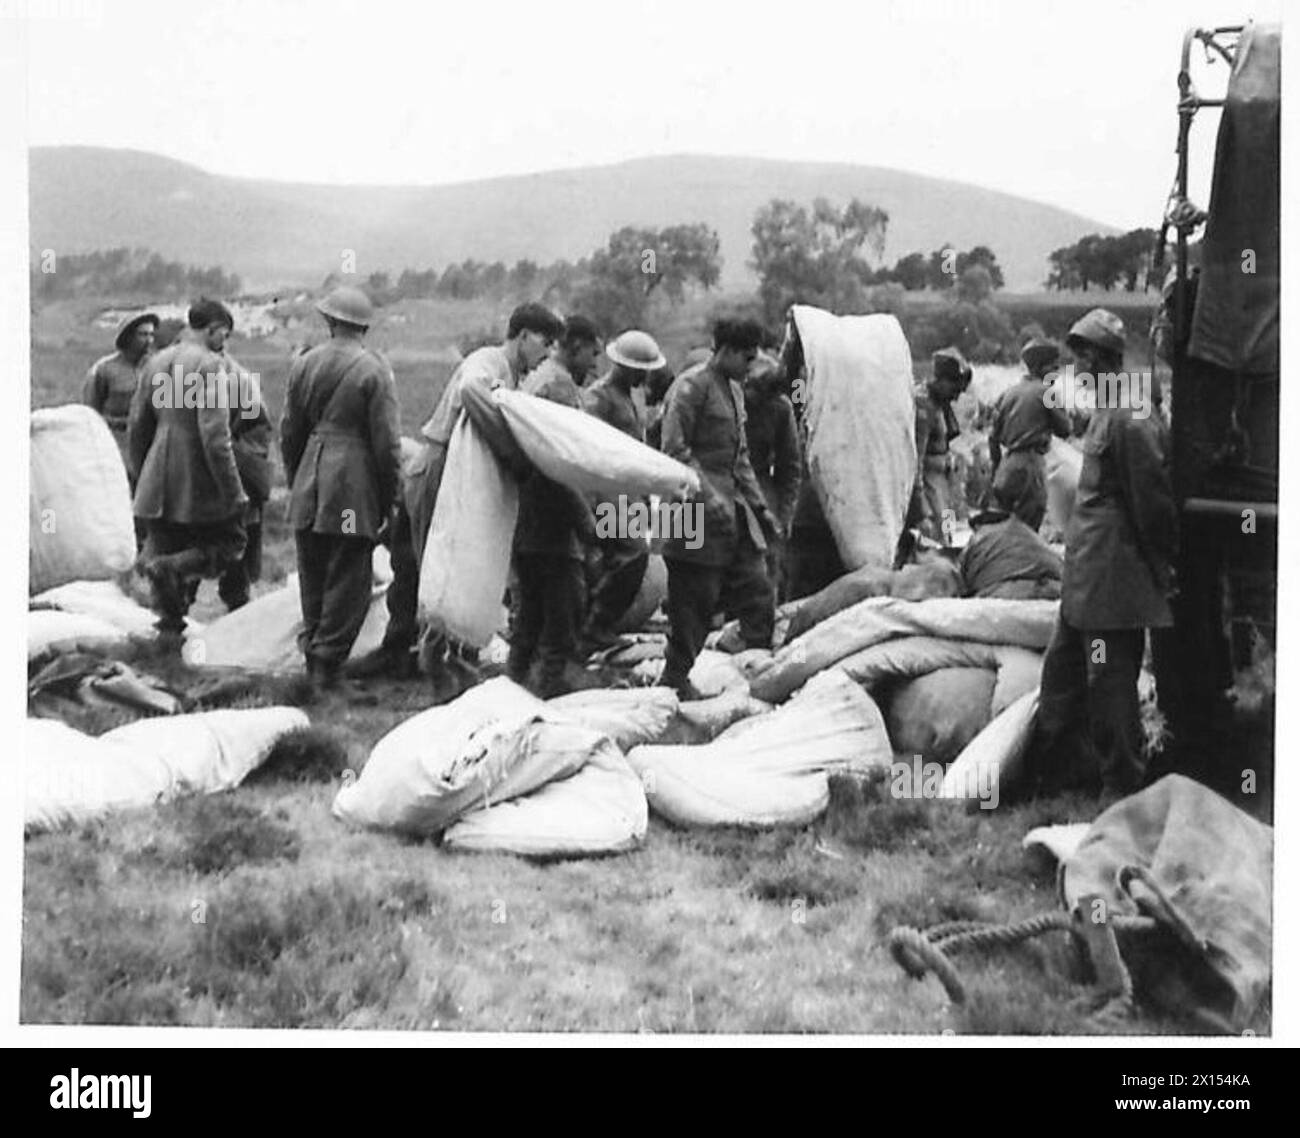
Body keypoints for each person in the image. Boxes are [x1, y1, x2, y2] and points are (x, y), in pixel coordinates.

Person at [1032, 308, 1178, 798]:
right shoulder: (1108, 409)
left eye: (1081, 357)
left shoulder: (1131, 413)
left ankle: (1122, 791)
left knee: (1110, 685)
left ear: (1100, 358)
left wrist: (1161, 566)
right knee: (1061, 678)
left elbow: (1152, 502)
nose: (1076, 368)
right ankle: (1054, 777)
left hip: (1113, 582)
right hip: (1086, 578)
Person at [406, 302, 562, 693]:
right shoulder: (489, 362)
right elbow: (471, 391)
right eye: (544, 342)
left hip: (465, 472)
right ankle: (437, 670)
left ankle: (450, 663)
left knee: (462, 563)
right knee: (442, 562)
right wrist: (512, 452)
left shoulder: (510, 374)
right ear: (523, 335)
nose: (546, 354)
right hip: (442, 465)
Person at [280, 286, 402, 689]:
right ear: (364, 327)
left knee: (312, 570)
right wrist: (389, 499)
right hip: (352, 489)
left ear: (330, 321)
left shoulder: (304, 364)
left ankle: (314, 662)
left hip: (310, 481)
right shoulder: (374, 369)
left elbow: (290, 431)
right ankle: (327, 669)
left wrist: (299, 477)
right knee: (349, 576)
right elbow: (386, 444)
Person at [659, 318, 778, 697]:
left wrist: (761, 508)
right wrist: (709, 497)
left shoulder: (735, 392)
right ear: (724, 351)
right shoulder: (691, 388)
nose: (750, 366)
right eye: (746, 357)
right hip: (690, 512)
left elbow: (739, 457)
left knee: (758, 590)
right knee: (693, 604)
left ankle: (761, 680)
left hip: (733, 513)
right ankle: (675, 680)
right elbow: (675, 451)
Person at [128, 299, 246, 639]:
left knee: (164, 549)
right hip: (198, 479)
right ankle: (173, 570)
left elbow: (138, 427)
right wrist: (232, 491)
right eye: (224, 333)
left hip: (157, 475)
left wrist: (143, 475)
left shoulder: (155, 362)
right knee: (229, 543)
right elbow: (215, 437)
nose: (224, 341)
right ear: (212, 329)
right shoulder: (210, 365)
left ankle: (168, 633)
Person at [507, 315, 603, 695]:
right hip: (552, 513)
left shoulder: (539, 377)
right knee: (565, 605)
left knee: (531, 607)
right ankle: (549, 684)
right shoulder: (559, 386)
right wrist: (586, 521)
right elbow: (561, 461)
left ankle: (514, 682)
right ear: (574, 346)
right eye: (592, 354)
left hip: (530, 509)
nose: (595, 365)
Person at [578, 328, 665, 652]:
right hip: (608, 492)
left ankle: (598, 625)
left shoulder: (633, 395)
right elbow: (587, 448)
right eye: (641, 369)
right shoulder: (599, 398)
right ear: (625, 366)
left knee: (632, 560)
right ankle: (595, 624)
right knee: (630, 556)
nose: (645, 376)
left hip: (632, 492)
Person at [988, 338, 1071, 530]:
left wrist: (996, 469)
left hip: (1006, 467)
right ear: (1041, 367)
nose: (1056, 371)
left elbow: (993, 438)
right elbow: (1065, 429)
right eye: (1053, 366)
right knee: (1028, 531)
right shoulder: (1047, 393)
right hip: (1031, 467)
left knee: (1004, 527)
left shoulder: (1008, 394)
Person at [215, 350, 273, 611]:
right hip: (196, 469)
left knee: (240, 533)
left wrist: (236, 448)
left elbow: (255, 425)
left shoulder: (241, 380)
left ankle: (237, 595)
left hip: (233, 468)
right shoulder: (178, 376)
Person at [743, 351, 801, 601]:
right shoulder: (721, 395)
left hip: (761, 485)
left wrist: (785, 514)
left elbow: (790, 466)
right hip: (720, 484)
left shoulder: (780, 408)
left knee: (767, 569)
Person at [958, 483, 1063, 600]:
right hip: (1055, 585)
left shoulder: (979, 539)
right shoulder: (1029, 533)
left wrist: (946, 537)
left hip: (1006, 589)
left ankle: (946, 537)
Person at [911, 346, 972, 543]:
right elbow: (916, 461)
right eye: (955, 388)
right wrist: (922, 510)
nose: (956, 396)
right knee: (937, 542)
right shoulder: (924, 405)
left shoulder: (940, 405)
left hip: (943, 484)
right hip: (930, 487)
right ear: (943, 380)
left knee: (948, 534)